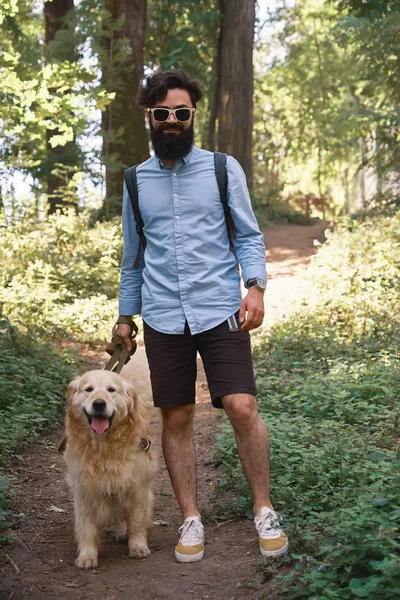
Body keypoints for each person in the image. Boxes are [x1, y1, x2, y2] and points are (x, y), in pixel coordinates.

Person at [117, 70, 288, 563]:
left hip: (220, 309)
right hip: (164, 315)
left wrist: (255, 287)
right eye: (163, 113)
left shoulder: (221, 168)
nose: (173, 121)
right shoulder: (134, 181)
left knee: (240, 406)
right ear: (150, 117)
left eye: (182, 112)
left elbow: (248, 236)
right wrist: (126, 319)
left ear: (194, 115)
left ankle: (263, 508)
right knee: (176, 416)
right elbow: (133, 257)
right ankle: (191, 518)